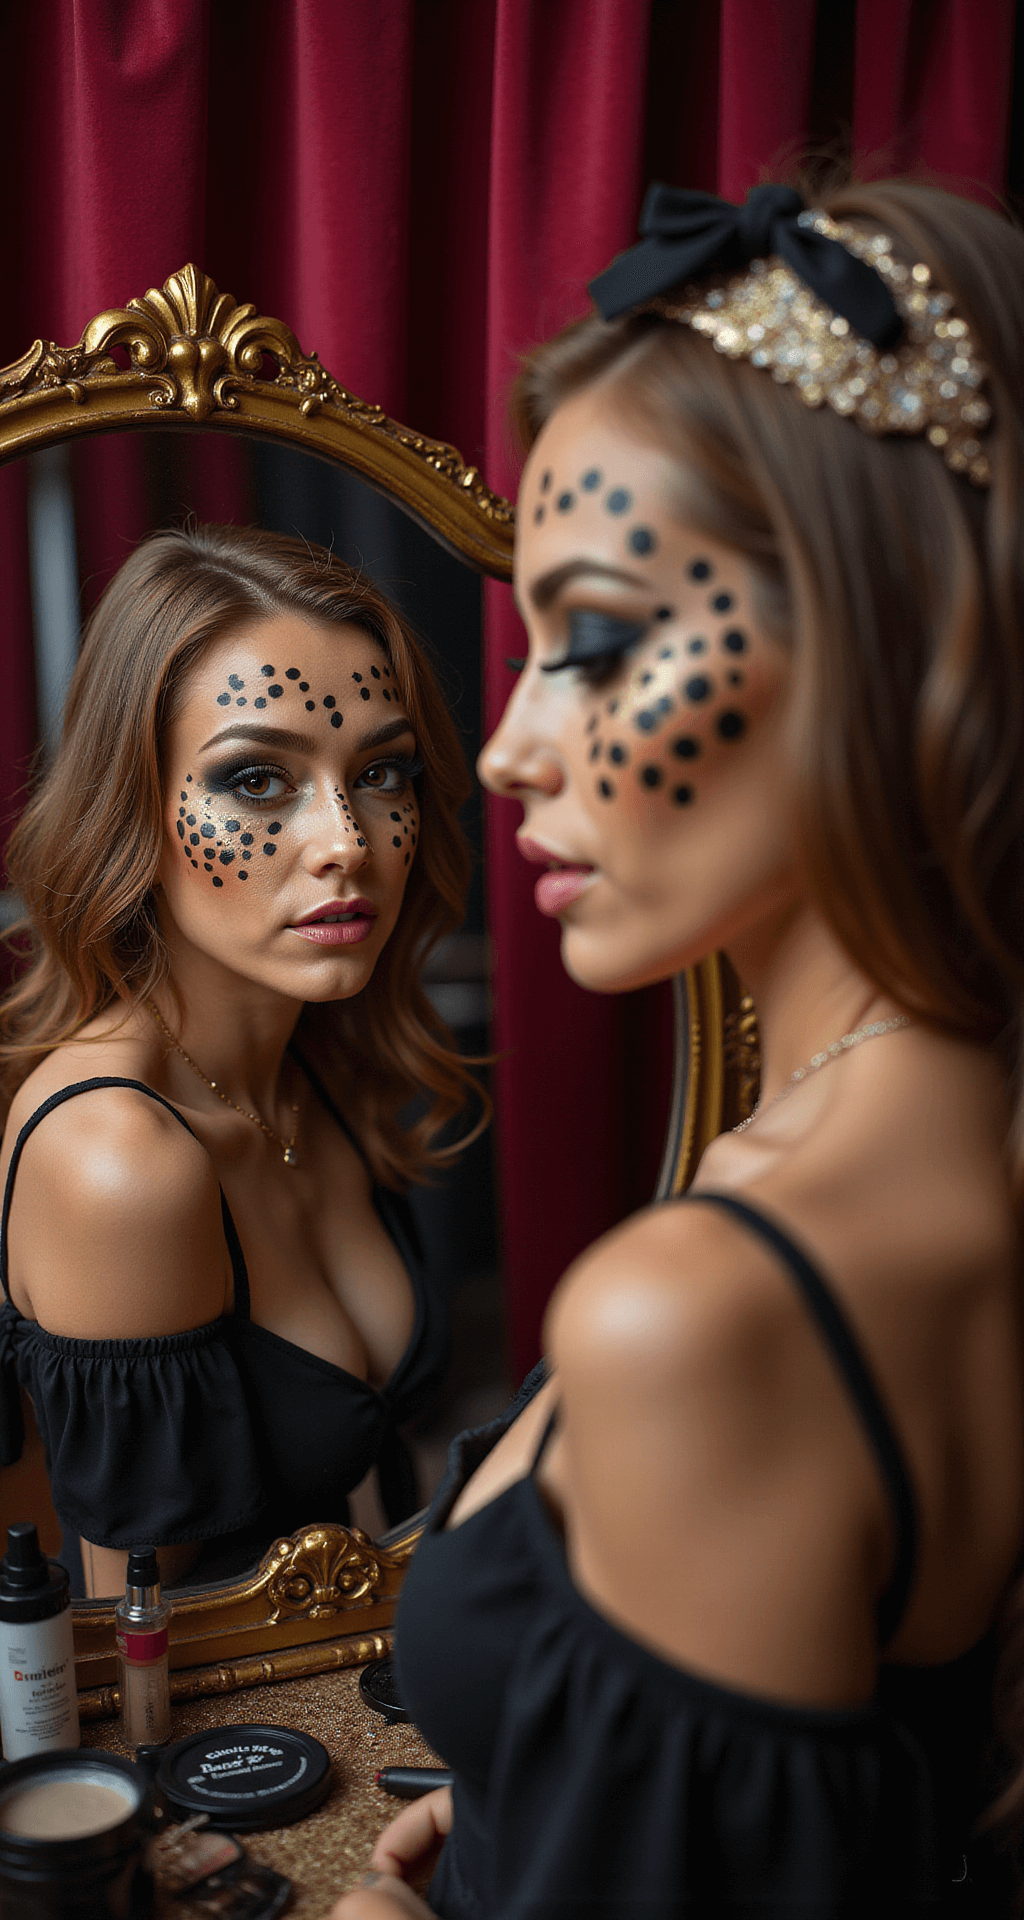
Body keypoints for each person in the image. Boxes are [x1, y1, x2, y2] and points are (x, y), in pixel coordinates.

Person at [335, 180, 1024, 1917]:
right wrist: (545, 1788)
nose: (504, 751)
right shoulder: (944, 1125)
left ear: (886, 636)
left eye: (594, 641)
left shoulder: (710, 1311)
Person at [0, 523, 482, 1598]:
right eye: (258, 779)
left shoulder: (322, 1057)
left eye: (382, 772)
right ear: (133, 807)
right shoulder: (118, 1161)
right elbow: (139, 1638)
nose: (347, 840)